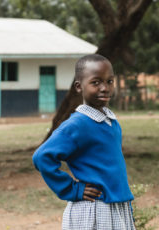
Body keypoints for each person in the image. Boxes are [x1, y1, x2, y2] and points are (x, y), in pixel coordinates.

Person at [32, 54, 135, 230]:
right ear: (79, 87)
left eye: (109, 81)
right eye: (96, 82)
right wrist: (73, 189)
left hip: (116, 205)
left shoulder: (110, 121)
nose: (105, 88)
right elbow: (42, 157)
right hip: (95, 209)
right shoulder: (77, 124)